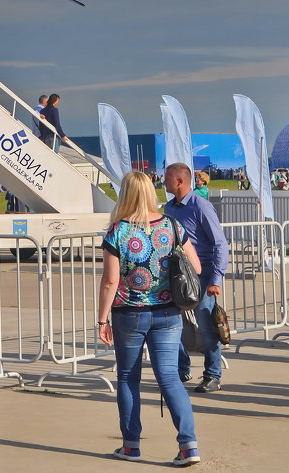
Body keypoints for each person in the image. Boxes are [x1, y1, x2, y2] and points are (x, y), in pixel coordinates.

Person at [97, 171, 203, 466]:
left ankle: (131, 445)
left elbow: (110, 281)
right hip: (168, 313)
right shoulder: (172, 225)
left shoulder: (117, 231)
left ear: (126, 194)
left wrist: (102, 320)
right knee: (169, 377)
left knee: (128, 378)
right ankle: (189, 445)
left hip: (128, 314)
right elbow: (195, 265)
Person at [163, 162, 229, 394]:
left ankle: (213, 375)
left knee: (207, 326)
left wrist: (216, 280)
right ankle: (182, 369)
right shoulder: (169, 208)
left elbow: (220, 243)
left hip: (203, 274)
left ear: (180, 181)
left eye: (167, 178)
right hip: (177, 273)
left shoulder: (201, 206)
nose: (163, 181)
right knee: (172, 322)